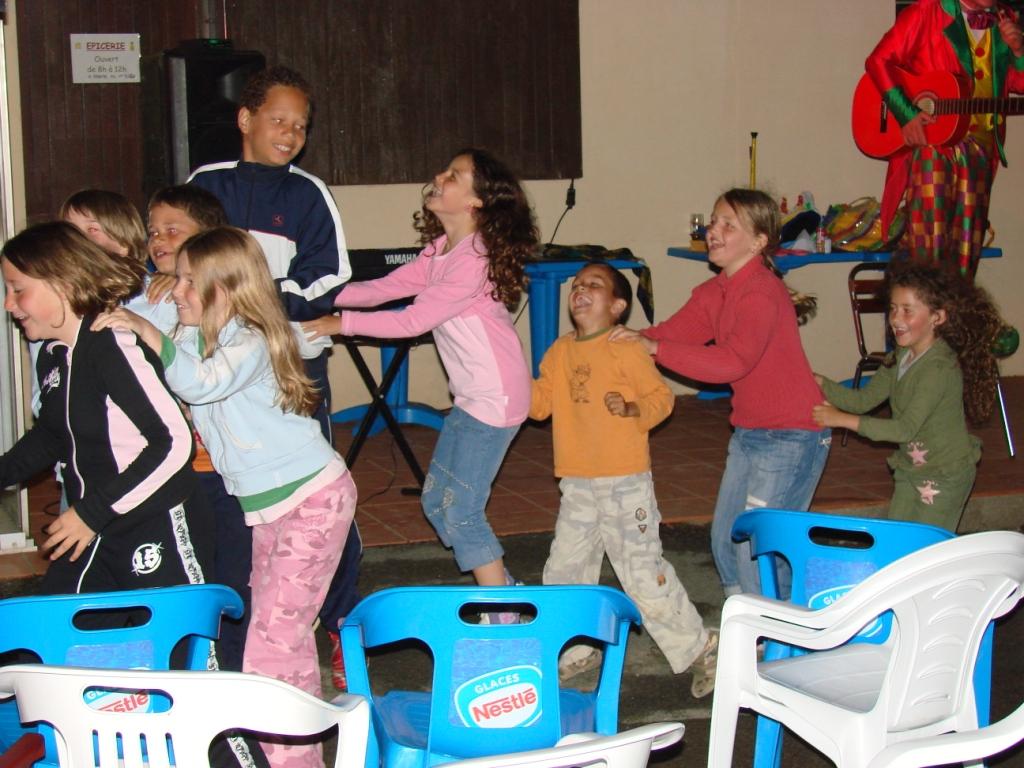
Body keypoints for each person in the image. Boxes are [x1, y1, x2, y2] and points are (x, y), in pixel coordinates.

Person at [94, 226, 356, 768]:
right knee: (279, 634)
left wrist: (149, 327)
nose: (178, 290)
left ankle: (290, 759)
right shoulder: (195, 332)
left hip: (314, 500)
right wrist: (144, 299)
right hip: (267, 508)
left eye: (191, 283)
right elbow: (147, 322)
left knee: (271, 643)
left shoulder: (249, 340)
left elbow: (201, 382)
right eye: (180, 279)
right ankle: (295, 743)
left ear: (227, 291)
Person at [189, 64, 360, 688]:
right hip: (226, 380)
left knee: (318, 500)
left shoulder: (310, 194)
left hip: (289, 369)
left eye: (301, 126)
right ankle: (247, 635)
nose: (290, 134)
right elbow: (192, 263)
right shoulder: (209, 184)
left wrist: (257, 296)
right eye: (279, 120)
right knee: (241, 505)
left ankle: (338, 625)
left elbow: (327, 280)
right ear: (246, 119)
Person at [303, 148, 537, 594]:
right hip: (473, 398)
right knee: (436, 501)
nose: (439, 176)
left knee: (463, 512)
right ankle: (504, 584)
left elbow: (411, 321)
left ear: (476, 202)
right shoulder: (443, 250)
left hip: (495, 400)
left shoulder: (474, 258)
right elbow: (389, 288)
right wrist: (324, 296)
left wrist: (339, 324)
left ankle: (506, 612)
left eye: (454, 175)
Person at [609, 188, 831, 597]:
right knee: (728, 541)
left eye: (729, 225)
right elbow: (669, 335)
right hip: (750, 432)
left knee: (759, 547)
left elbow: (733, 362)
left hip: (793, 435)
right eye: (714, 221)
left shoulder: (761, 291)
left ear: (759, 240)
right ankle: (745, 632)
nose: (715, 231)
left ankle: (771, 639)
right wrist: (619, 343)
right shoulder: (717, 292)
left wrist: (655, 347)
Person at [531, 261, 719, 698]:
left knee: (639, 571)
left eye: (593, 285)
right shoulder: (560, 351)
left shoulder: (625, 348)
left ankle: (700, 647)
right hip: (577, 483)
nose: (581, 289)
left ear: (617, 306)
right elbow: (540, 404)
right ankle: (575, 651)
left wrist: (634, 410)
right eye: (577, 285)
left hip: (624, 482)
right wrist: (503, 385)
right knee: (564, 568)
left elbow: (661, 397)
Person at [0, 222, 213, 595]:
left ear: (62, 284)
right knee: (53, 637)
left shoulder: (113, 346)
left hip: (150, 522)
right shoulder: (54, 354)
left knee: (174, 643)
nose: (8, 304)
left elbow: (175, 443)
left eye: (18, 290)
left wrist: (91, 513)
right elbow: (53, 433)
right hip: (91, 526)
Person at [812, 263, 1000, 531]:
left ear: (938, 317)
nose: (896, 319)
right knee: (899, 539)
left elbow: (904, 429)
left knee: (926, 550)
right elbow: (864, 400)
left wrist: (840, 419)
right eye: (893, 308)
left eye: (907, 310)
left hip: (944, 476)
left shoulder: (938, 369)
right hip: (912, 470)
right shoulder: (901, 356)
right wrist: (821, 382)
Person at [865, 0, 1024, 280]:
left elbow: (1017, 83)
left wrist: (1019, 51)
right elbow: (879, 61)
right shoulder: (927, 11)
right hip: (933, 147)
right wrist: (906, 113)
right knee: (929, 250)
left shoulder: (1004, 20)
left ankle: (955, 322)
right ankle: (924, 321)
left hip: (980, 150)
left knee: (966, 255)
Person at [59, 189, 148, 264]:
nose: (77, 237)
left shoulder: (146, 283)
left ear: (124, 245)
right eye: (70, 229)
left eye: (92, 229)